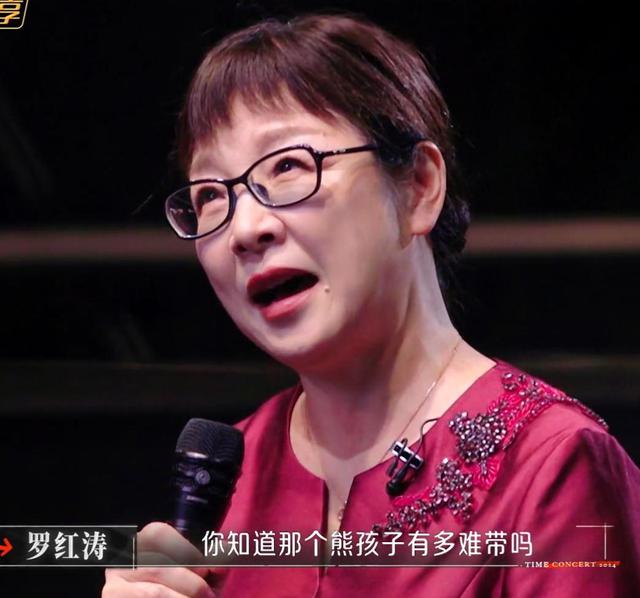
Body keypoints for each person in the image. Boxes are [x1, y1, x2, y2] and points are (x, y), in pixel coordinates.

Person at [102, 13, 640, 597]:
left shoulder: (552, 464)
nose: (245, 229)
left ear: (418, 187)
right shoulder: (233, 474)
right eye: (210, 195)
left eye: (288, 166)